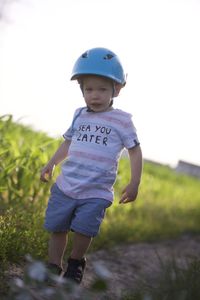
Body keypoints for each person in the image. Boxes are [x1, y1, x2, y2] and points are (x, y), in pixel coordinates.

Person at [40, 47, 143, 284]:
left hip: (96, 190)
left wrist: (134, 182)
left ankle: (76, 261)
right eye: (89, 89)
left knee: (85, 230)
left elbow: (135, 151)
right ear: (81, 90)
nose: (94, 95)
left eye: (102, 89)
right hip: (66, 185)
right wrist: (51, 163)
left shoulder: (122, 120)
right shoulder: (79, 115)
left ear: (116, 89)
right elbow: (68, 142)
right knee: (58, 227)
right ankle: (53, 266)